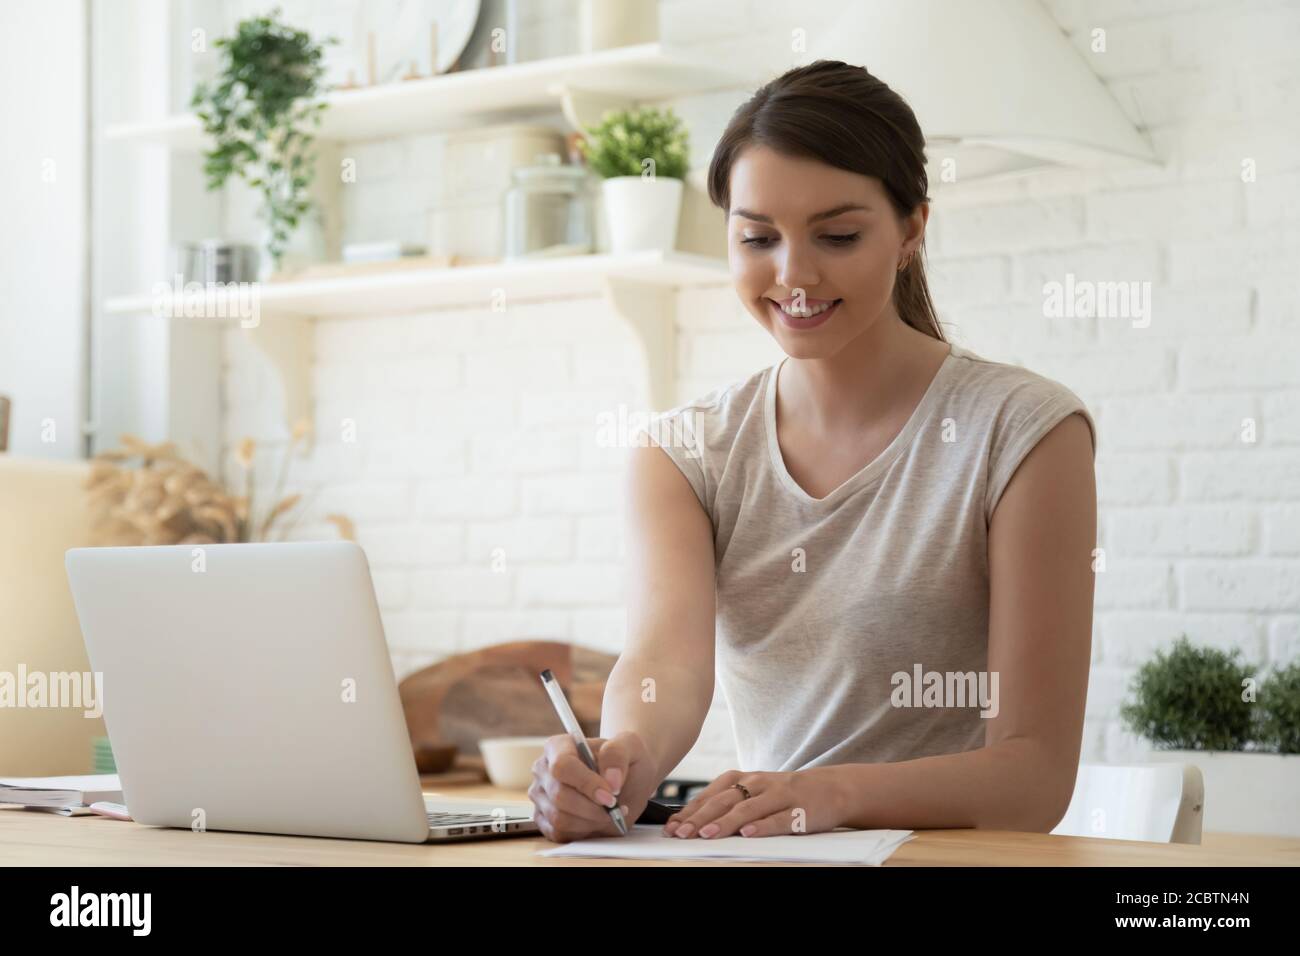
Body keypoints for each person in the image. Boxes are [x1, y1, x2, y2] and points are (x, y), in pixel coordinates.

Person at [529, 60, 1097, 843]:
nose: (794, 274)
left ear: (911, 230)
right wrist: (623, 761)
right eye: (758, 237)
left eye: (837, 235)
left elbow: (1032, 778)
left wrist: (826, 794)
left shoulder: (1023, 431)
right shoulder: (685, 454)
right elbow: (668, 667)